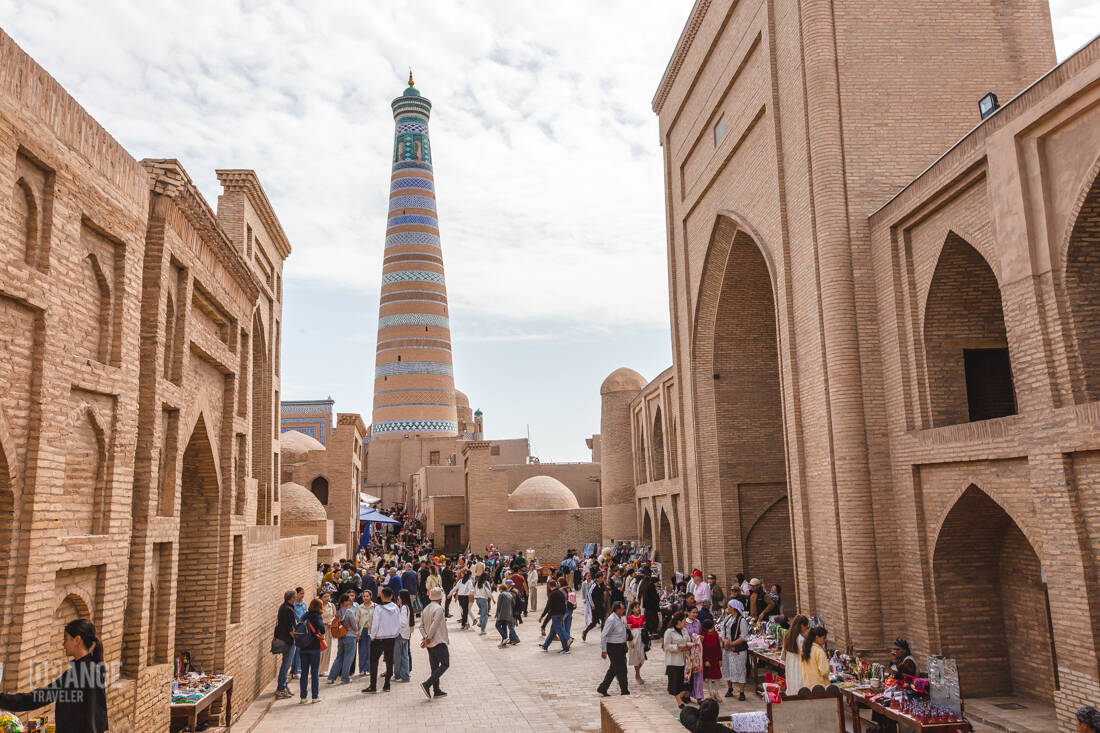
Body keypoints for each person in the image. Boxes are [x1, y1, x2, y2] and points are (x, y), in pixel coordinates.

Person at [0, 619, 108, 732]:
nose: (63, 644)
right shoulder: (76, 673)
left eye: (66, 639)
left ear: (77, 640)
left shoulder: (89, 673)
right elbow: (38, 697)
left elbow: (96, 720)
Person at [363, 587, 400, 693]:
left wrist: (372, 636)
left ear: (382, 596)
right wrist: (395, 633)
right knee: (389, 661)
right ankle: (387, 685)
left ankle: (373, 686)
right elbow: (399, 623)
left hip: (379, 638)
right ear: (392, 596)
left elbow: (375, 624)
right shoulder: (396, 608)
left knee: (374, 661)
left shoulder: (378, 608)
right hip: (391, 638)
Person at [419, 586, 450, 700]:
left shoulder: (426, 608)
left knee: (434, 666)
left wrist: (425, 637)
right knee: (445, 663)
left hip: (430, 643)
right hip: (438, 640)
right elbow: (435, 625)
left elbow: (421, 626)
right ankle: (427, 684)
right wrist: (428, 638)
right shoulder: (438, 609)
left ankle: (436, 690)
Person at [597, 601, 630, 697]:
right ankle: (625, 690)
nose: (624, 610)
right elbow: (604, 635)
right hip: (613, 647)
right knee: (621, 669)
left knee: (614, 669)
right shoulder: (611, 619)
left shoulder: (622, 618)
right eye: (622, 609)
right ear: (617, 610)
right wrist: (604, 650)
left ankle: (603, 688)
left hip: (621, 646)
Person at [719, 599, 750, 700]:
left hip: (738, 650)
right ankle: (730, 688)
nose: (727, 609)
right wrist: (724, 640)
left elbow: (743, 636)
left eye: (729, 607)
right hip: (727, 649)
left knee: (740, 668)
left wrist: (732, 643)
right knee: (727, 667)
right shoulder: (728, 618)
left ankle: (741, 692)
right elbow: (722, 630)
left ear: (734, 609)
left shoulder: (742, 620)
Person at [296, 599, 326, 704]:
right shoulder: (317, 616)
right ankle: (314, 697)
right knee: (314, 673)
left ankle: (303, 698)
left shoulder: (305, 615)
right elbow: (322, 629)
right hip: (314, 647)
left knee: (304, 673)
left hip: (303, 648)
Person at [326, 592, 359, 684]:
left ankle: (331, 677)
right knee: (348, 658)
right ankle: (345, 678)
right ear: (344, 602)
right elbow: (355, 627)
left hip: (341, 637)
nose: (350, 601)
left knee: (339, 657)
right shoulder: (349, 612)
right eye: (348, 600)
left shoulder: (338, 612)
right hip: (350, 637)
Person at [663, 612, 692, 706]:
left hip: (685, 660)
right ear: (679, 621)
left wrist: (694, 643)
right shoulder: (669, 631)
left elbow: (688, 642)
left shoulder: (684, 630)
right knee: (675, 683)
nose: (685, 623)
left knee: (686, 683)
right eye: (684, 620)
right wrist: (677, 647)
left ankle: (679, 698)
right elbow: (666, 646)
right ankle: (679, 702)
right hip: (673, 661)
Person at [273, 590, 297, 698]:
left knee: (286, 664)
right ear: (291, 598)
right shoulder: (288, 609)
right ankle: (280, 688)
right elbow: (290, 628)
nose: (296, 599)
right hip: (288, 641)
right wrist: (297, 638)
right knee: (286, 665)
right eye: (295, 597)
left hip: (285, 639)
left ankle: (284, 685)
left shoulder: (284, 607)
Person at [539, 579, 571, 653]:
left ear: (549, 586)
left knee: (560, 632)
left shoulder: (552, 594)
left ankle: (566, 648)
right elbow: (564, 604)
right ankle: (545, 646)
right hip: (560, 614)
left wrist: (542, 616)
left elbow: (548, 606)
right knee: (552, 632)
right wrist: (563, 615)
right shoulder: (560, 592)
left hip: (555, 615)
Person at [782, 614, 808, 694]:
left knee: (792, 686)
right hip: (798, 666)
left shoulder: (787, 635)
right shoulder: (800, 639)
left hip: (790, 665)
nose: (806, 628)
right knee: (799, 687)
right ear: (801, 625)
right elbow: (804, 655)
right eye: (806, 626)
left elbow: (783, 654)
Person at [700, 618, 723, 700]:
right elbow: (703, 649)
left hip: (715, 658)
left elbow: (718, 647)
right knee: (709, 677)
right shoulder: (703, 636)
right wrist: (705, 660)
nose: (712, 629)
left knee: (717, 677)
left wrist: (720, 659)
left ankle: (716, 693)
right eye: (710, 627)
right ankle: (710, 694)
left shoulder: (716, 634)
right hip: (707, 659)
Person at [393, 589, 413, 682]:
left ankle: (397, 675)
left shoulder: (404, 607)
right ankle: (405, 676)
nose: (398, 598)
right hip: (406, 634)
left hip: (400, 634)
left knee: (397, 656)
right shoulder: (407, 607)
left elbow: (403, 622)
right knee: (405, 656)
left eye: (399, 596)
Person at [626, 601, 647, 684]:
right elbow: (628, 631)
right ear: (632, 609)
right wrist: (630, 641)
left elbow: (644, 627)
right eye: (636, 607)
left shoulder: (642, 617)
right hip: (634, 639)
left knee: (642, 657)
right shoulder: (630, 618)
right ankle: (637, 674)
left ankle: (637, 673)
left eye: (638, 607)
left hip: (641, 639)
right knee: (636, 657)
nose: (638, 609)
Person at [582, 572, 607, 641]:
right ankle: (585, 632)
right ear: (597, 579)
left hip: (601, 605)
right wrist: (592, 605)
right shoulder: (594, 585)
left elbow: (604, 592)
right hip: (595, 607)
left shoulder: (602, 584)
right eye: (601, 578)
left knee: (603, 620)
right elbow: (589, 595)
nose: (602, 579)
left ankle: (603, 636)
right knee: (594, 622)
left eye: (602, 578)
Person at [495, 582, 520, 647]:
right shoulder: (509, 594)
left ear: (501, 589)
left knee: (497, 625)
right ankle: (504, 642)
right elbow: (513, 604)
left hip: (502, 614)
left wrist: (497, 613)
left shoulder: (501, 595)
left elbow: (499, 605)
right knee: (504, 627)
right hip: (509, 614)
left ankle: (505, 637)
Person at [356, 590, 374, 678]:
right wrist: (357, 633)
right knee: (362, 650)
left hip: (372, 631)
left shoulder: (375, 606)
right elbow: (357, 620)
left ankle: (369, 669)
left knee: (370, 650)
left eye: (367, 596)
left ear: (371, 596)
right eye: (364, 596)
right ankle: (362, 669)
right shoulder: (360, 607)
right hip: (362, 631)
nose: (365, 598)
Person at [319, 588, 337, 671]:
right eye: (325, 597)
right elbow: (316, 618)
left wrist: (332, 621)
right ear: (321, 598)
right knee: (320, 649)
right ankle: (318, 669)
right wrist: (324, 622)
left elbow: (334, 616)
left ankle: (324, 669)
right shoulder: (319, 606)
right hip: (320, 630)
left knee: (327, 649)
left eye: (328, 596)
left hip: (329, 630)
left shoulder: (332, 606)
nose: (327, 598)